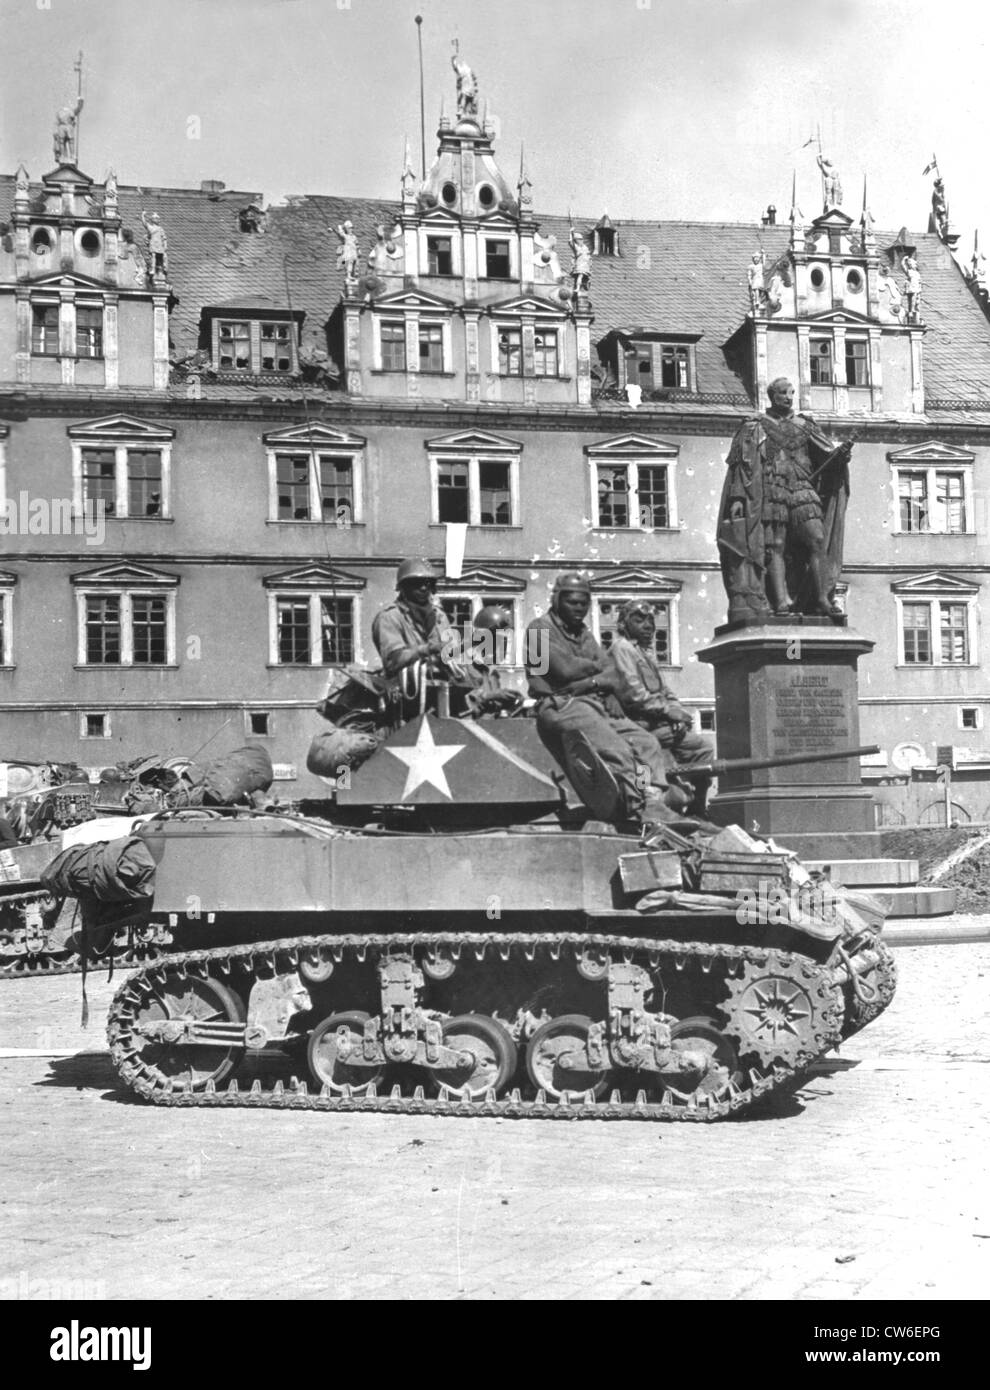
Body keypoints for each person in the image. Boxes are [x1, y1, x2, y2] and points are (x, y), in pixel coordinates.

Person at [525, 572, 676, 822]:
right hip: (558, 704)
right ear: (556, 600)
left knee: (645, 743)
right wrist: (599, 673)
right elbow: (562, 669)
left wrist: (598, 683)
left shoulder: (584, 634)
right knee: (615, 748)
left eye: (584, 603)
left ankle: (649, 799)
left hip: (591, 702)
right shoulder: (538, 630)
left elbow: (614, 673)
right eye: (572, 602)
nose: (579, 608)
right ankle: (636, 808)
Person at [717, 377, 851, 622]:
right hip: (771, 487)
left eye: (791, 392)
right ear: (772, 396)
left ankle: (821, 597)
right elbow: (741, 466)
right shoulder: (755, 425)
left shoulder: (805, 424)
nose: (789, 397)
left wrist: (840, 456)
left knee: (817, 538)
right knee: (775, 545)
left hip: (802, 487)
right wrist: (737, 497)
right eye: (783, 393)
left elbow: (827, 457)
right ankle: (781, 600)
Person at [609, 600, 713, 815]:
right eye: (639, 620)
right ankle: (644, 805)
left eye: (651, 621)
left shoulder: (645, 653)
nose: (648, 626)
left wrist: (676, 712)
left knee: (702, 749)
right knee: (643, 755)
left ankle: (696, 810)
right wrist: (667, 712)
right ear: (623, 624)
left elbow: (666, 692)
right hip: (636, 724)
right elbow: (633, 694)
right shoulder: (622, 649)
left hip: (659, 723)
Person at [371, 558, 459, 681]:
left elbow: (453, 654)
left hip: (443, 684)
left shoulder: (439, 616)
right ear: (404, 587)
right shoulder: (390, 617)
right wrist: (427, 649)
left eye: (427, 583)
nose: (423, 588)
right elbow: (393, 661)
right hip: (406, 686)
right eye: (417, 583)